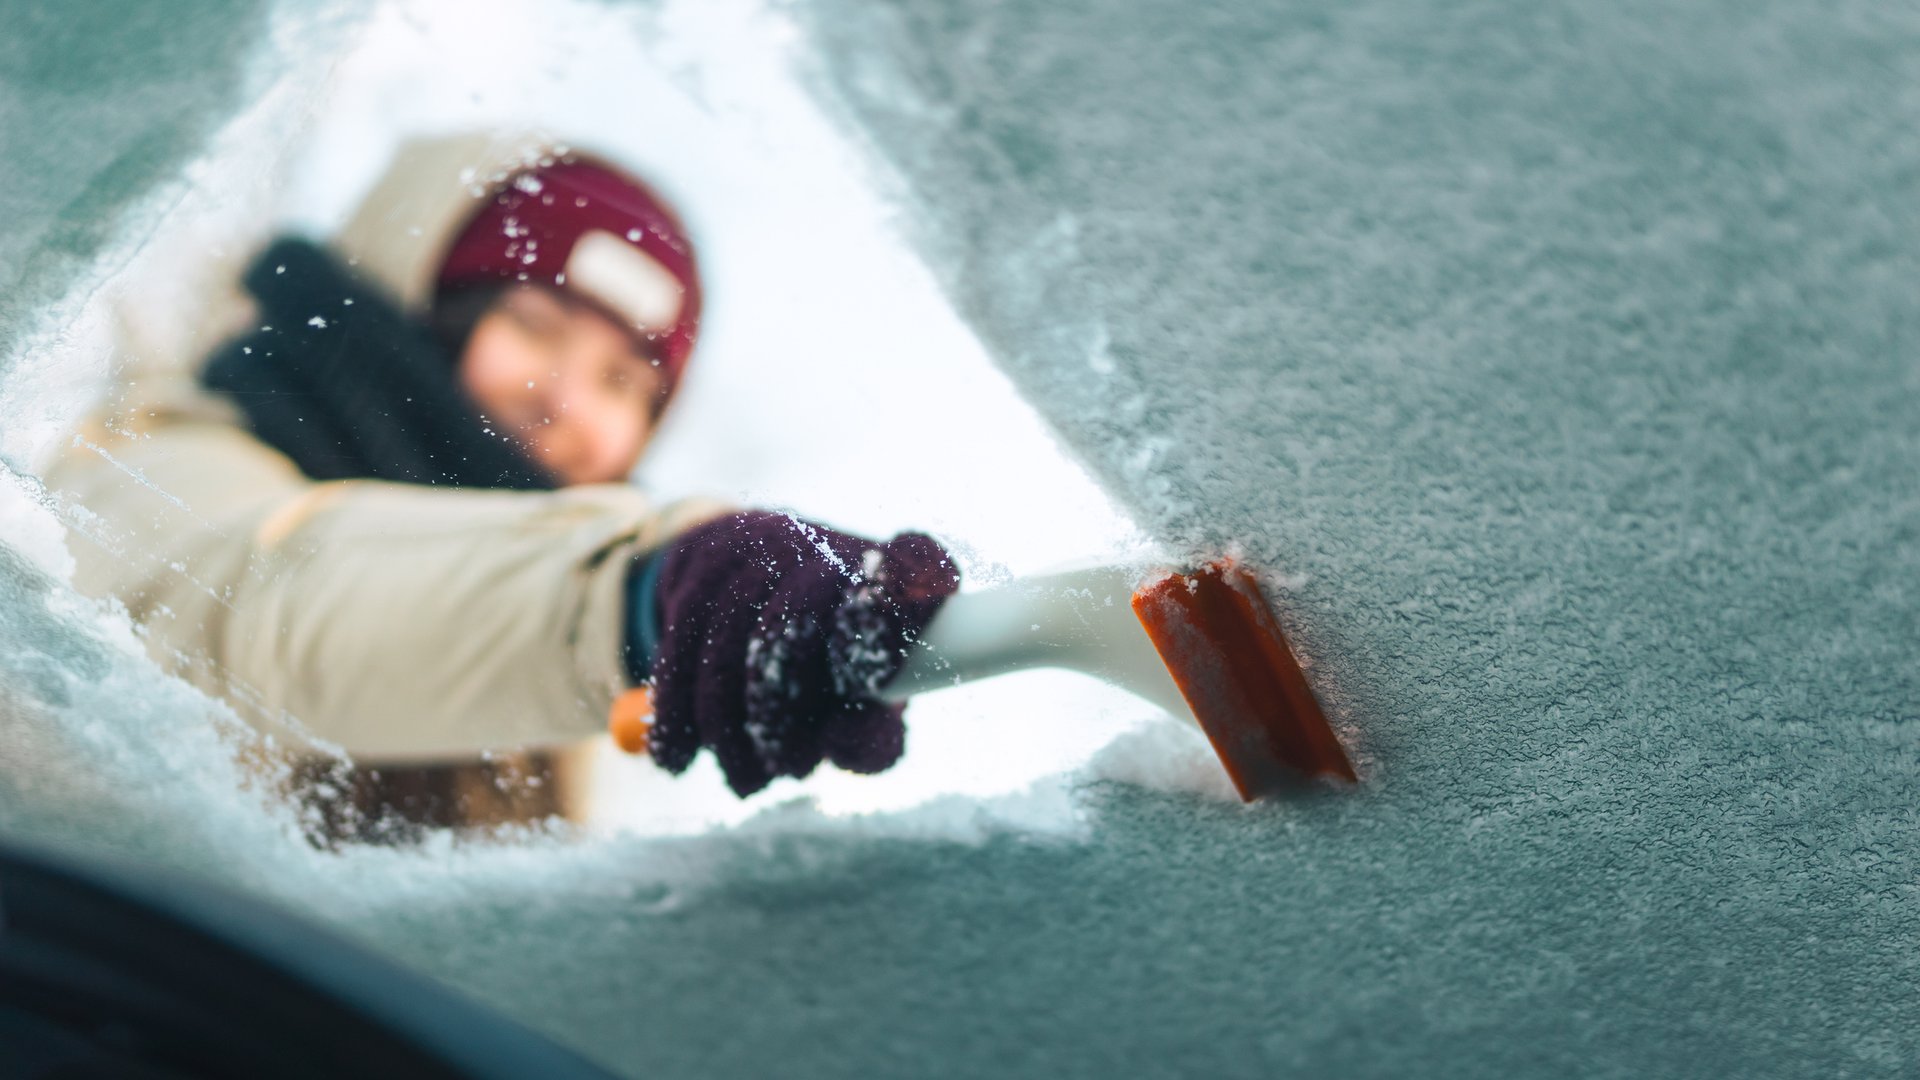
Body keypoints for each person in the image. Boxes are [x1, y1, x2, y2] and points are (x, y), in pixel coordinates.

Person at [42, 133, 959, 841]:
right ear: (420, 305)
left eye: (623, 384)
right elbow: (268, 609)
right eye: (532, 325)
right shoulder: (153, 459)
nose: (566, 401)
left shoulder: (592, 707)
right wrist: (643, 596)